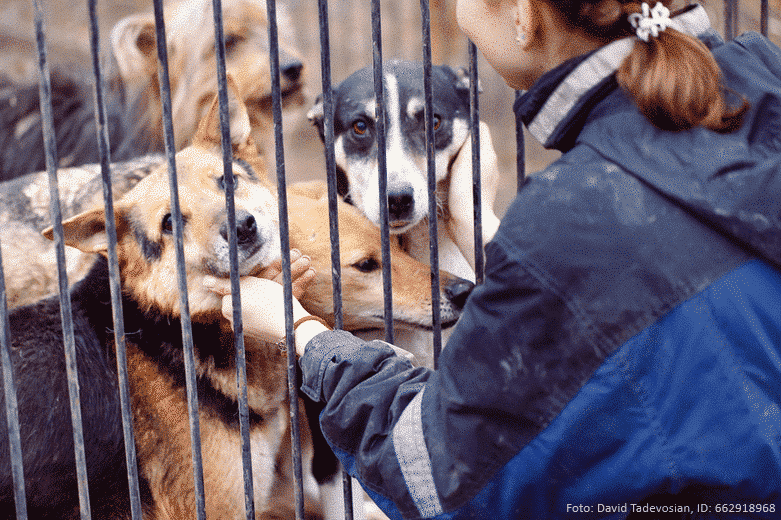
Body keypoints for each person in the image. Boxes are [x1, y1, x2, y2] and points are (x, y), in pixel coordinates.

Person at [205, 0, 781, 517]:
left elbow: (435, 473)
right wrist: (478, 228)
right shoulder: (761, 78)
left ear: (524, 17)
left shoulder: (566, 218)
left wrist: (298, 331)